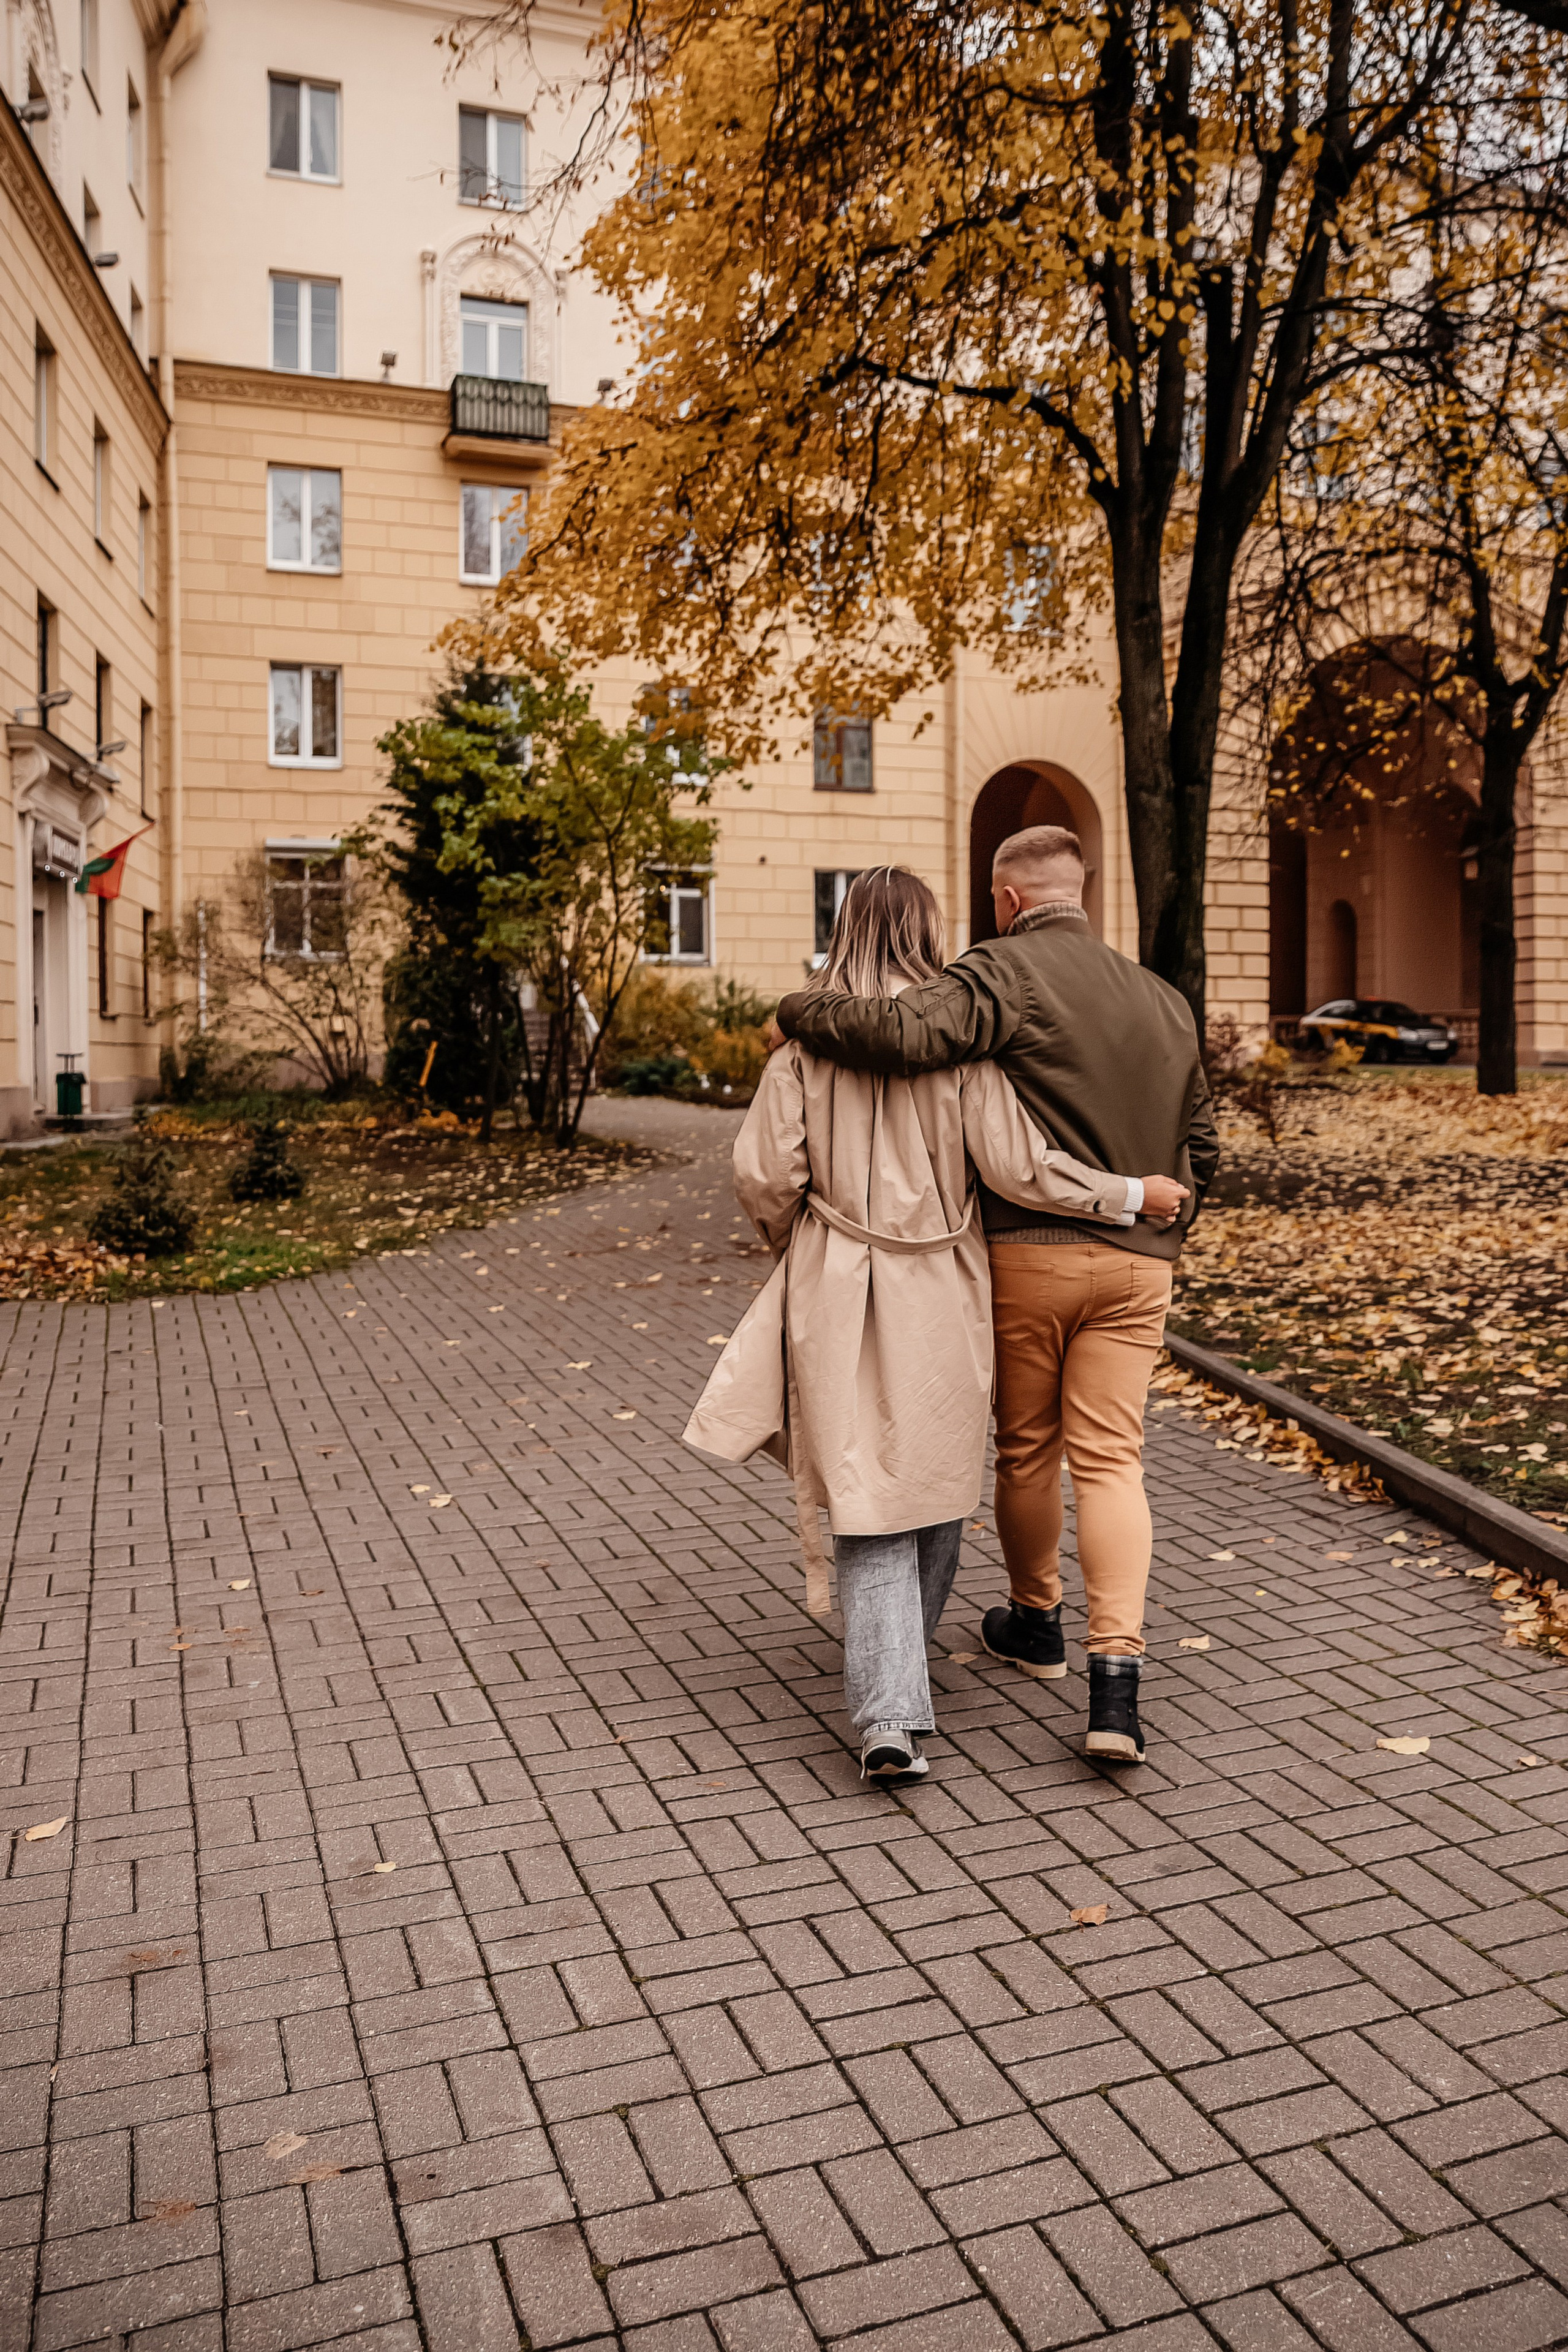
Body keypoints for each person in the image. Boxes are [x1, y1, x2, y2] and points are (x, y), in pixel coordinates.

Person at [685, 866, 1187, 1784]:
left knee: (864, 1484)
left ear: (846, 930)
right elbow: (1023, 1169)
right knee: (938, 1479)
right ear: (924, 933)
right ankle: (893, 1695)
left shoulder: (800, 1051)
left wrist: (797, 1244)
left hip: (837, 1279)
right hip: (948, 1286)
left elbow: (763, 1175)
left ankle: (890, 1707)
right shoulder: (964, 1055)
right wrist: (1127, 1196)